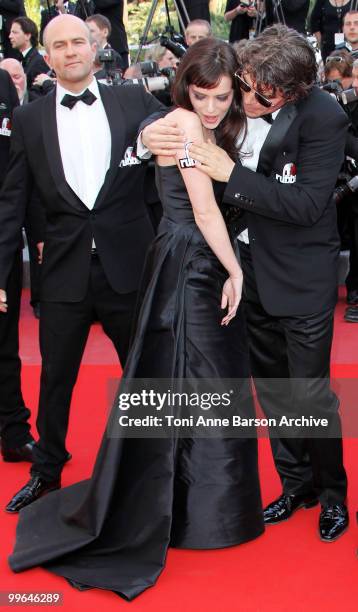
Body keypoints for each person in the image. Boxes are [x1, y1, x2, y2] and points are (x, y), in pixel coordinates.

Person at [8, 37, 264, 600]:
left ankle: (193, 504)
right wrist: (235, 270)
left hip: (173, 255)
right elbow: (201, 208)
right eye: (204, 95)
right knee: (196, 376)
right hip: (193, 256)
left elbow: (152, 132)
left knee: (187, 378)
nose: (214, 107)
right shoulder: (184, 123)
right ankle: (197, 511)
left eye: (223, 97)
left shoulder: (172, 118)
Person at [142, 24, 349, 543]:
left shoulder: (325, 117)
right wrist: (147, 136)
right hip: (241, 271)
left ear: (295, 91)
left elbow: (306, 205)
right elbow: (191, 102)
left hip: (301, 276)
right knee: (272, 391)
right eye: (245, 86)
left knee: (309, 394)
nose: (246, 100)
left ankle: (332, 494)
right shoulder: (236, 93)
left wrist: (230, 174)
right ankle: (294, 483)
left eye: (262, 95)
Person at [1, 13, 163, 513]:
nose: (71, 51)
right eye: (60, 45)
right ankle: (47, 468)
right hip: (65, 271)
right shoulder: (29, 121)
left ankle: (160, 468)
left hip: (128, 267)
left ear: (95, 49)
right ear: (45, 58)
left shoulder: (134, 102)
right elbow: (11, 202)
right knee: (55, 379)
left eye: (79, 42)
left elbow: (181, 128)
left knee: (146, 375)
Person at [0, 67, 35, 462]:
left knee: (4, 344)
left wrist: (35, 230)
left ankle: (13, 432)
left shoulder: (2, 84)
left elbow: (19, 171)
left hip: (2, 233)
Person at [9, 17, 49, 88]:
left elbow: (41, 94)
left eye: (15, 32)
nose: (10, 36)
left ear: (27, 36)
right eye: (11, 32)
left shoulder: (38, 62)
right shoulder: (20, 59)